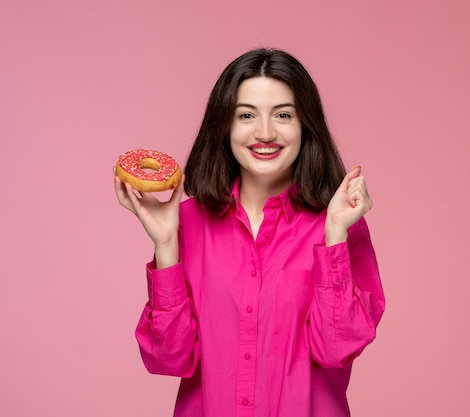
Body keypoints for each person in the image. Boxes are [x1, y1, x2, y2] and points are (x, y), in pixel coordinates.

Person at [114, 48, 385, 417]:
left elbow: (336, 349)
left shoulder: (342, 225)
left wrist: (334, 234)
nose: (265, 133)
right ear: (224, 125)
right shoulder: (187, 224)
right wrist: (165, 246)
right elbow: (169, 360)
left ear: (306, 125)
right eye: (246, 115)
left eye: (283, 115)